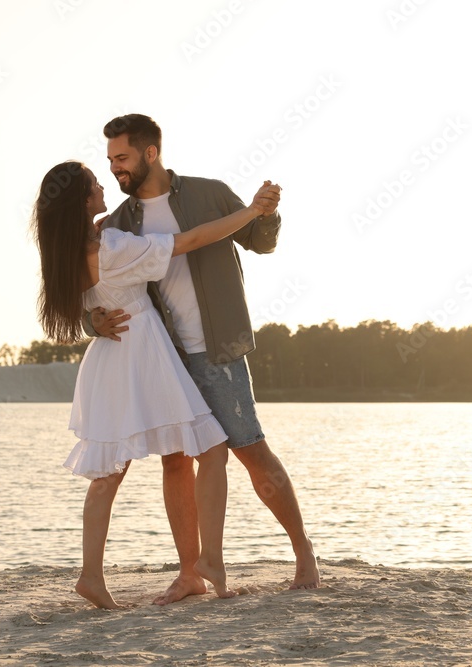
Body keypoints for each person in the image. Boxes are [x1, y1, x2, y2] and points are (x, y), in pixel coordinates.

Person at [84, 114, 320, 602]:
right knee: (175, 461)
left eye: (122, 158)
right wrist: (93, 323)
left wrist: (267, 212)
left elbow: (260, 241)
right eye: (110, 161)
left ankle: (303, 552)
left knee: (249, 449)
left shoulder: (209, 192)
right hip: (162, 355)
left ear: (151, 153)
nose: (115, 169)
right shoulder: (122, 221)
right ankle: (190, 572)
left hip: (217, 346)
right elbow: (97, 286)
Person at [32, 159, 280, 608]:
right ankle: (208, 561)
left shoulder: (68, 251)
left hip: (112, 360)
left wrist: (92, 318)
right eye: (94, 182)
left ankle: (96, 575)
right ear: (83, 200)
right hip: (141, 356)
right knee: (209, 448)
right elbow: (191, 240)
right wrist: (249, 213)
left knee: (111, 473)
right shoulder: (111, 247)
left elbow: (79, 309)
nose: (104, 183)